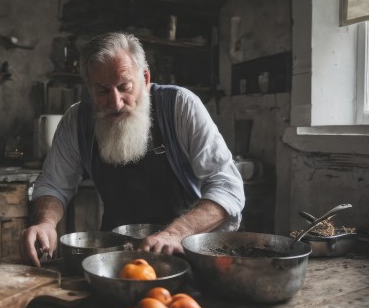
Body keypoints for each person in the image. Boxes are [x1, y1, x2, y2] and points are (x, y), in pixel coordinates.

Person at [21, 32, 245, 266]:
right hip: (116, 258)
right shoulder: (76, 121)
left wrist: (175, 233)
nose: (116, 102)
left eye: (124, 86)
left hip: (186, 254)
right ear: (89, 89)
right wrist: (45, 223)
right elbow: (53, 184)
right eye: (102, 91)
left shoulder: (181, 107)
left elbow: (227, 187)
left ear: (145, 78)